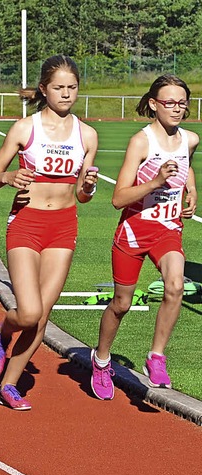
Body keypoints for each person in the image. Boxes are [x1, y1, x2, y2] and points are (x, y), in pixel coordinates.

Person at [0, 55, 99, 410]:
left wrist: (89, 187)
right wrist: (8, 178)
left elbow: (81, 193)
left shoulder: (87, 135)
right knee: (29, 312)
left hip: (63, 226)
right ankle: (3, 332)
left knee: (43, 316)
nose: (66, 94)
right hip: (27, 223)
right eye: (59, 87)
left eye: (72, 87)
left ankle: (9, 385)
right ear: (44, 90)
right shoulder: (24, 128)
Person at [90, 74, 198, 400]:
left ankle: (157, 356)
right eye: (169, 103)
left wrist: (191, 191)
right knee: (121, 304)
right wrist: (154, 183)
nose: (176, 109)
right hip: (135, 231)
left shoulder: (190, 139)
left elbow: (186, 164)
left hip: (167, 230)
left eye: (182, 103)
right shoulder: (142, 142)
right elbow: (118, 198)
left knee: (175, 285)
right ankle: (101, 359)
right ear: (153, 104)